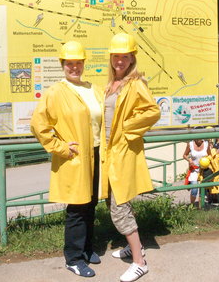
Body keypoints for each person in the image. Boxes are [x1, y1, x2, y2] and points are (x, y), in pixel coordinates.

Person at [30, 41, 103, 278]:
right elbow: (38, 125)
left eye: (78, 62)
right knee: (77, 207)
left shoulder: (94, 88)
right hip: (75, 157)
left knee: (91, 203)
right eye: (69, 63)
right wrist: (60, 147)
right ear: (63, 65)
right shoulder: (55, 92)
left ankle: (87, 248)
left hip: (97, 153)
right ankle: (73, 257)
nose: (74, 67)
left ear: (83, 63)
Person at [100, 33, 160, 282]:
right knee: (111, 202)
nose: (120, 60)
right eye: (116, 56)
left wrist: (126, 128)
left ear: (132, 58)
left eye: (125, 56)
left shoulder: (135, 83)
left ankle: (139, 262)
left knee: (119, 207)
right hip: (109, 153)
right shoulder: (111, 84)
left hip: (122, 153)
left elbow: (152, 111)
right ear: (111, 58)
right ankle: (134, 247)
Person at [183, 137, 211, 206]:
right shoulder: (190, 144)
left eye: (201, 139)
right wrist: (189, 160)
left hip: (204, 169)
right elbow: (184, 155)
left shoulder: (206, 144)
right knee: (194, 189)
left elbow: (210, 155)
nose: (200, 140)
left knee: (202, 189)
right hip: (194, 169)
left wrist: (206, 161)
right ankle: (192, 205)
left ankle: (200, 207)